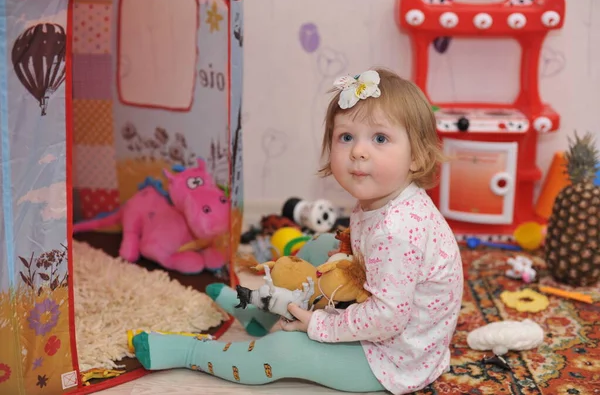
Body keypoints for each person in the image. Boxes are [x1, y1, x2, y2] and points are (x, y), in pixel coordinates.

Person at [132, 67, 464, 394]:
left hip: (393, 359)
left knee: (283, 352)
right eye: (346, 137)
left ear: (417, 158)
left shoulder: (398, 230)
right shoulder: (380, 201)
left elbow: (387, 320)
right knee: (320, 245)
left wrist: (318, 325)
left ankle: (190, 353)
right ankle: (258, 315)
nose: (358, 151)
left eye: (380, 138)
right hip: (386, 323)